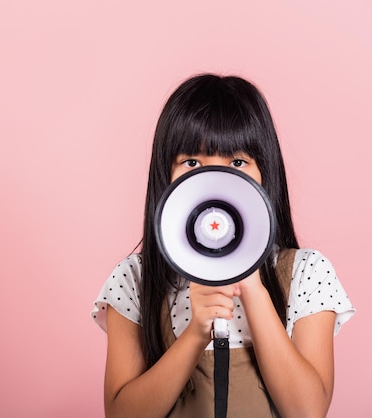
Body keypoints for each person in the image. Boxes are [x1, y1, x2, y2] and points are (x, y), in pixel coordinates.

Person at [91, 73, 355, 418]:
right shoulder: (135, 279)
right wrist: (195, 333)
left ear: (265, 173)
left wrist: (252, 286)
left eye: (238, 163)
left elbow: (307, 411)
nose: (215, 181)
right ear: (164, 174)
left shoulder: (307, 272)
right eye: (192, 163)